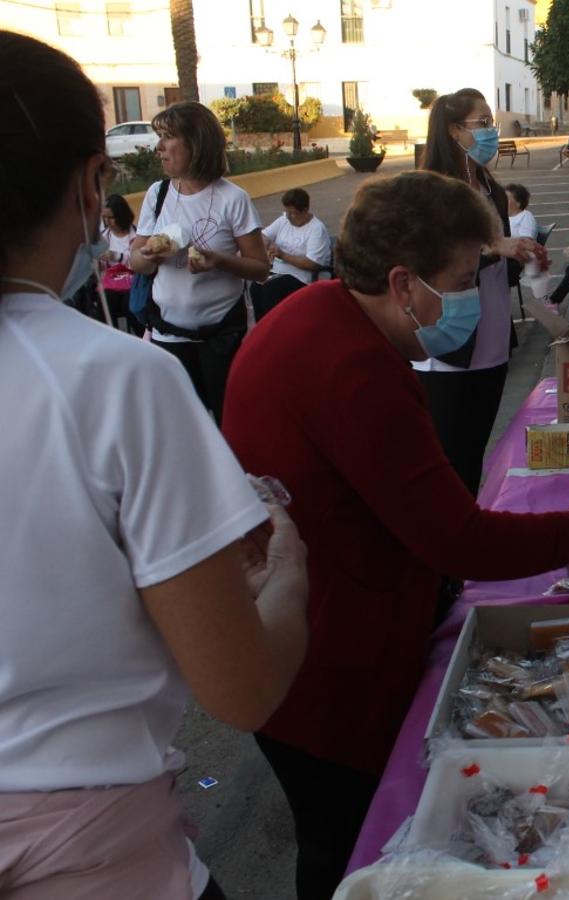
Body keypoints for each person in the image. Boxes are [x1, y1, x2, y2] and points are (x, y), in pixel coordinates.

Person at [222, 170, 569, 900]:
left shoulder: (321, 313)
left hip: (316, 634)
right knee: (347, 849)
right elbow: (457, 539)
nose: (473, 298)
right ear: (404, 283)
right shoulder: (351, 365)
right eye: (464, 278)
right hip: (327, 671)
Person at [0, 32, 308, 900]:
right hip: (90, 857)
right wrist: (289, 564)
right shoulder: (115, 379)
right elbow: (241, 688)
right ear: (91, 184)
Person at [419, 88, 546, 494]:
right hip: (451, 343)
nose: (492, 131)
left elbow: (498, 253)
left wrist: (523, 255)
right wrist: (496, 249)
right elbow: (436, 259)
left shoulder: (487, 185)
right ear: (455, 130)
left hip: (490, 339)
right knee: (450, 463)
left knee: (472, 455)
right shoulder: (435, 188)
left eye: (492, 121)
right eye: (483, 123)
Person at [127, 101, 269, 422]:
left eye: (167, 137)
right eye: (158, 137)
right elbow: (136, 262)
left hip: (222, 339)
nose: (159, 148)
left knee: (228, 422)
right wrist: (149, 254)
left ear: (196, 143)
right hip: (168, 336)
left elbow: (260, 269)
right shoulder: (157, 194)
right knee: (178, 425)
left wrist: (219, 260)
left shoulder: (233, 199)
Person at [252, 187, 332, 322]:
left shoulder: (316, 229)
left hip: (303, 277)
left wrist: (282, 255)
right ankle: (262, 329)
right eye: (287, 212)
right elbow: (263, 236)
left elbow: (312, 263)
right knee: (255, 287)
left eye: (293, 213)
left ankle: (275, 330)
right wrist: (266, 243)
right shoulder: (284, 220)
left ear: (305, 210)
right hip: (279, 273)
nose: (289, 217)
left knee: (271, 289)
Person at [100, 192, 140, 334]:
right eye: (105, 218)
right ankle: (112, 337)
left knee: (130, 302)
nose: (107, 222)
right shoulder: (104, 238)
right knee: (104, 301)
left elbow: (139, 261)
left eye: (111, 217)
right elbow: (100, 269)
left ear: (121, 215)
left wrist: (117, 256)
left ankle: (142, 338)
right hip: (112, 283)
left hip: (134, 280)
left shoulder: (136, 234)